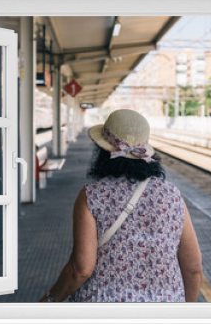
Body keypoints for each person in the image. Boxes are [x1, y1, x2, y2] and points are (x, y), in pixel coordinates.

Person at [40, 109, 202, 302]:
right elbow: (193, 269)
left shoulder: (91, 195)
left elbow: (81, 269)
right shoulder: (172, 195)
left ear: (102, 150)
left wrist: (51, 299)